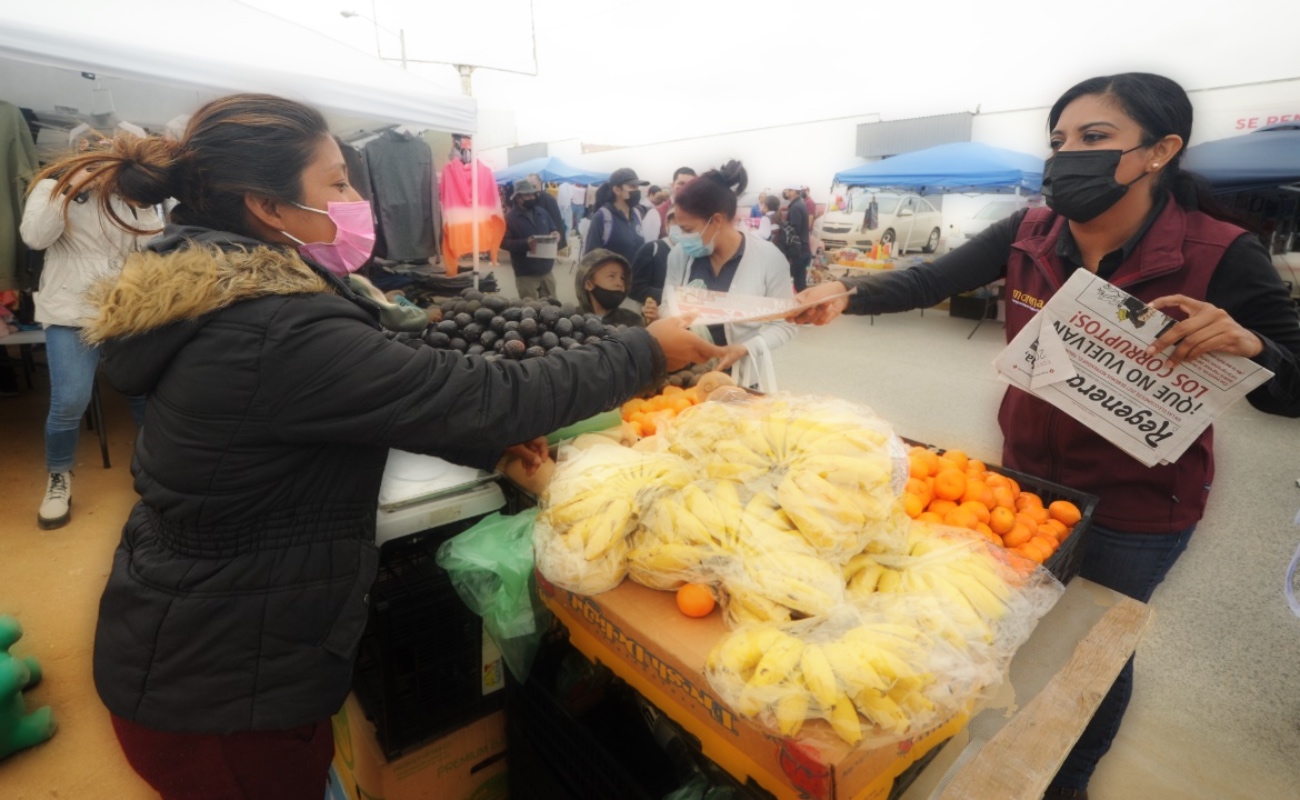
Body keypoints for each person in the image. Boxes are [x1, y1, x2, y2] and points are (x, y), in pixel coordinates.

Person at [47, 94, 723, 800]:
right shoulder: (271, 328)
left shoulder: (223, 291)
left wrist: (483, 450)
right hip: (220, 695)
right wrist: (642, 351)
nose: (355, 198)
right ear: (266, 207)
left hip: (213, 648)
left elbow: (352, 411)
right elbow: (479, 395)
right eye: (336, 183)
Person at [790, 72, 1300, 800]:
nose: (1068, 157)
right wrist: (845, 293)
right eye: (1058, 141)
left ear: (1160, 151)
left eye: (1095, 138)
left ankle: (1068, 782)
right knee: (1019, 628)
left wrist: (1252, 346)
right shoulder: (1032, 232)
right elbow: (931, 279)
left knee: (1092, 655)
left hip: (1140, 508)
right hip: (1026, 486)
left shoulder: (1222, 252)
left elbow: (1294, 386)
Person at [19, 138, 161, 529]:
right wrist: (70, 187)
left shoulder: (130, 193)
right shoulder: (50, 188)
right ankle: (59, 477)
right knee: (70, 400)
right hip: (70, 310)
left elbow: (152, 246)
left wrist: (140, 203)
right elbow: (35, 238)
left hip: (126, 307)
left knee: (141, 392)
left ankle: (157, 471)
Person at [665, 160, 797, 390]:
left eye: (688, 230)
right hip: (687, 379)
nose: (682, 238)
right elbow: (667, 306)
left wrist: (748, 347)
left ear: (716, 221)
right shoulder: (680, 255)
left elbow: (785, 325)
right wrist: (676, 326)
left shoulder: (768, 258)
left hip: (741, 380)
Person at [502, 178, 559, 300]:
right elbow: (503, 242)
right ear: (518, 197)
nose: (532, 197)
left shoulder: (542, 213)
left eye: (533, 194)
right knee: (530, 311)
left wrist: (555, 234)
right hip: (525, 273)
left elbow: (553, 228)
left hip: (546, 271)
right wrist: (525, 244)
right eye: (527, 195)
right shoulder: (509, 218)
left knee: (553, 308)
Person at [583, 167, 647, 265]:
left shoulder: (637, 214)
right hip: (614, 279)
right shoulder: (602, 217)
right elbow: (591, 258)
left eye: (637, 187)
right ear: (617, 190)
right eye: (632, 187)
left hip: (636, 278)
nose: (637, 191)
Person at [575, 248, 645, 328]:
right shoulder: (572, 319)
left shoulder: (633, 321)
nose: (619, 283)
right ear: (588, 284)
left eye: (622, 278)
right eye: (611, 276)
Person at [631, 205, 677, 314]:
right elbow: (635, 288)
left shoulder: (696, 254)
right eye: (675, 221)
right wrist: (670, 296)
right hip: (654, 316)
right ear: (667, 224)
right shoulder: (652, 249)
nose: (680, 226)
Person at [782, 185, 813, 292]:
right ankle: (803, 306)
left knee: (798, 283)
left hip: (799, 251)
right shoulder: (800, 204)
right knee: (800, 283)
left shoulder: (795, 207)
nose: (786, 191)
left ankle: (801, 306)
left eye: (788, 189)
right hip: (803, 249)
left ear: (794, 192)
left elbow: (794, 230)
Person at [527, 172, 567, 253]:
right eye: (528, 185)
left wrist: (556, 242)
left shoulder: (548, 200)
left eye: (533, 184)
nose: (531, 187)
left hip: (546, 241)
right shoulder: (528, 200)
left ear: (539, 182)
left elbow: (557, 222)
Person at [655, 166, 696, 239]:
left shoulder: (699, 212)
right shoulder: (657, 213)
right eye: (681, 183)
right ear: (673, 185)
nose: (685, 187)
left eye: (690, 184)